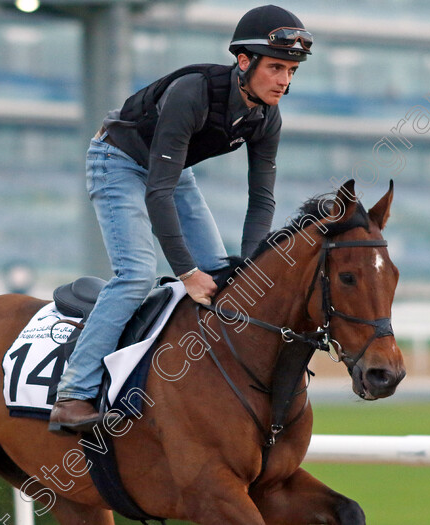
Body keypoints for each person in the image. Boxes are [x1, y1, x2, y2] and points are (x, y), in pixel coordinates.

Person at [49, 4, 312, 433]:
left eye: (292, 71)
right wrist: (186, 272)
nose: (284, 81)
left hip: (173, 170)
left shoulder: (268, 117)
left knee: (227, 276)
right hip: (118, 160)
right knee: (136, 274)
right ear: (244, 62)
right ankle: (74, 393)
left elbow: (261, 200)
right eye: (277, 67)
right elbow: (157, 192)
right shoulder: (193, 92)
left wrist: (251, 266)